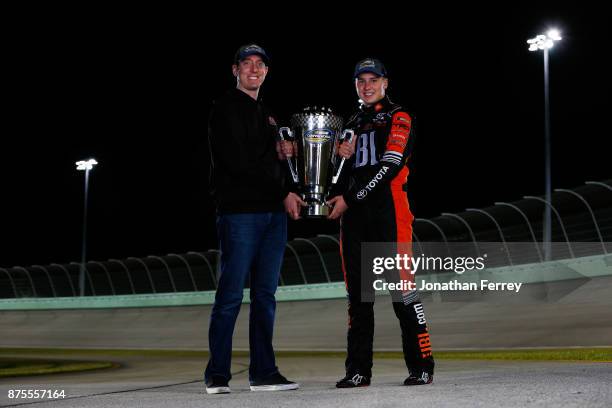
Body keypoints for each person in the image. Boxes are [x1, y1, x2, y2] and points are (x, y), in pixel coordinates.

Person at [328, 57, 435, 387]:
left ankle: (422, 366)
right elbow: (339, 179)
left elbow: (389, 165)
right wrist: (339, 156)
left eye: (373, 79)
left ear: (385, 83)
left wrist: (350, 198)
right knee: (358, 299)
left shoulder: (399, 116)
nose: (367, 85)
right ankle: (358, 371)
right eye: (361, 81)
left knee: (403, 292)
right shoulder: (353, 123)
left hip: (389, 213)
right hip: (355, 220)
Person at [204, 43, 303, 394]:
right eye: (246, 64)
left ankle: (263, 372)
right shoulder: (225, 108)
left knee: (265, 295)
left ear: (266, 72)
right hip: (240, 214)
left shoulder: (270, 115)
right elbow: (238, 162)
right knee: (231, 295)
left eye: (260, 64)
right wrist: (281, 191)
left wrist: (290, 166)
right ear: (235, 70)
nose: (253, 69)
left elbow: (276, 164)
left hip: (273, 216)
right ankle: (217, 375)